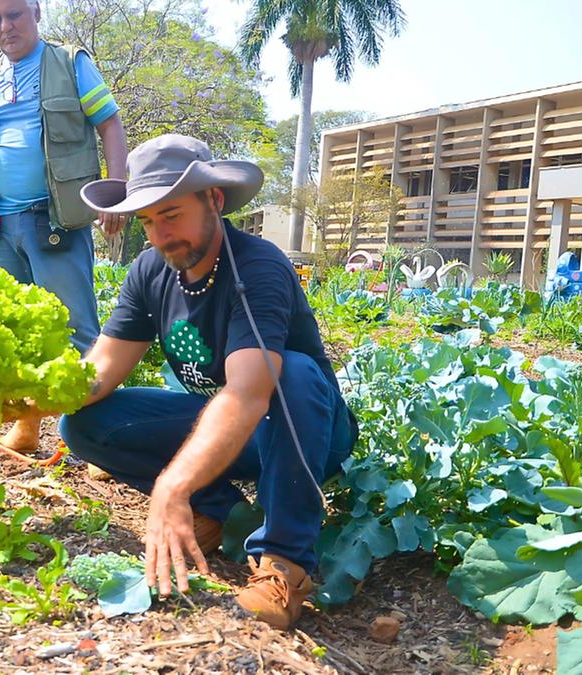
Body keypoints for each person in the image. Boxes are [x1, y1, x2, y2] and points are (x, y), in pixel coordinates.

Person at [57, 134, 357, 629]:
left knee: (292, 372)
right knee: (84, 425)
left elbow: (248, 393)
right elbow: (102, 368)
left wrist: (171, 486)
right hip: (233, 426)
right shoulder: (151, 269)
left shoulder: (258, 266)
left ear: (213, 200)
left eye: (171, 214)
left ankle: (286, 561)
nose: (159, 234)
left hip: (306, 431)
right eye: (147, 221)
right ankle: (220, 512)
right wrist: (36, 398)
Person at [0, 0, 129, 455]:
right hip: (2, 224)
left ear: (36, 12)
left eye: (14, 15)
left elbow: (110, 123)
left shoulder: (70, 62)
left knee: (78, 332)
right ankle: (27, 429)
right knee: (16, 332)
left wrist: (116, 188)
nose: (6, 27)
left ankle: (99, 444)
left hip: (55, 220)